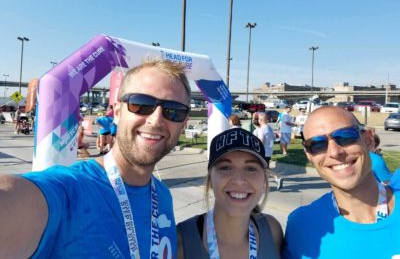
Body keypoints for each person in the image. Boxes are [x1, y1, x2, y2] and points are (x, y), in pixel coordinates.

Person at [0, 58, 191, 258]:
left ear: (183, 123)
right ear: (117, 112)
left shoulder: (162, 197)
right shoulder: (71, 190)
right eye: (141, 104)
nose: (156, 120)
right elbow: (11, 199)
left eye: (173, 111)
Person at [282, 106, 400, 258]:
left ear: (368, 140)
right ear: (309, 156)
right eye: (317, 144)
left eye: (345, 136)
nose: (334, 152)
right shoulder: (300, 225)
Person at [177, 128, 283, 259]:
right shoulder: (180, 240)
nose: (239, 181)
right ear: (210, 180)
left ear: (264, 180)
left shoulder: (272, 230)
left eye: (250, 168)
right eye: (225, 168)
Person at [257, 112, 284, 191]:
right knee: (264, 168)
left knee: (263, 168)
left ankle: (277, 178)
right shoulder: (269, 128)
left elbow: (261, 141)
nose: (258, 120)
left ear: (260, 120)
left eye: (258, 119)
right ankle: (264, 184)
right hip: (269, 150)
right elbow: (273, 139)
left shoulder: (261, 129)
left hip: (263, 151)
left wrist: (257, 149)